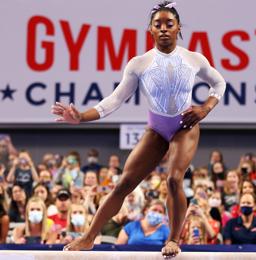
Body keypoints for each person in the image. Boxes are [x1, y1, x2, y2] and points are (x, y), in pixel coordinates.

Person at [51, 1, 226, 257]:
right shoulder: (139, 63)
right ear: (150, 30)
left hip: (184, 127)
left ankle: (174, 239)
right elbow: (114, 100)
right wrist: (82, 117)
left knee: (175, 179)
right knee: (123, 184)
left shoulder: (193, 59)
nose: (164, 29)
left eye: (170, 24)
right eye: (158, 25)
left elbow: (219, 83)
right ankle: (89, 237)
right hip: (156, 129)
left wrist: (205, 108)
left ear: (178, 28)